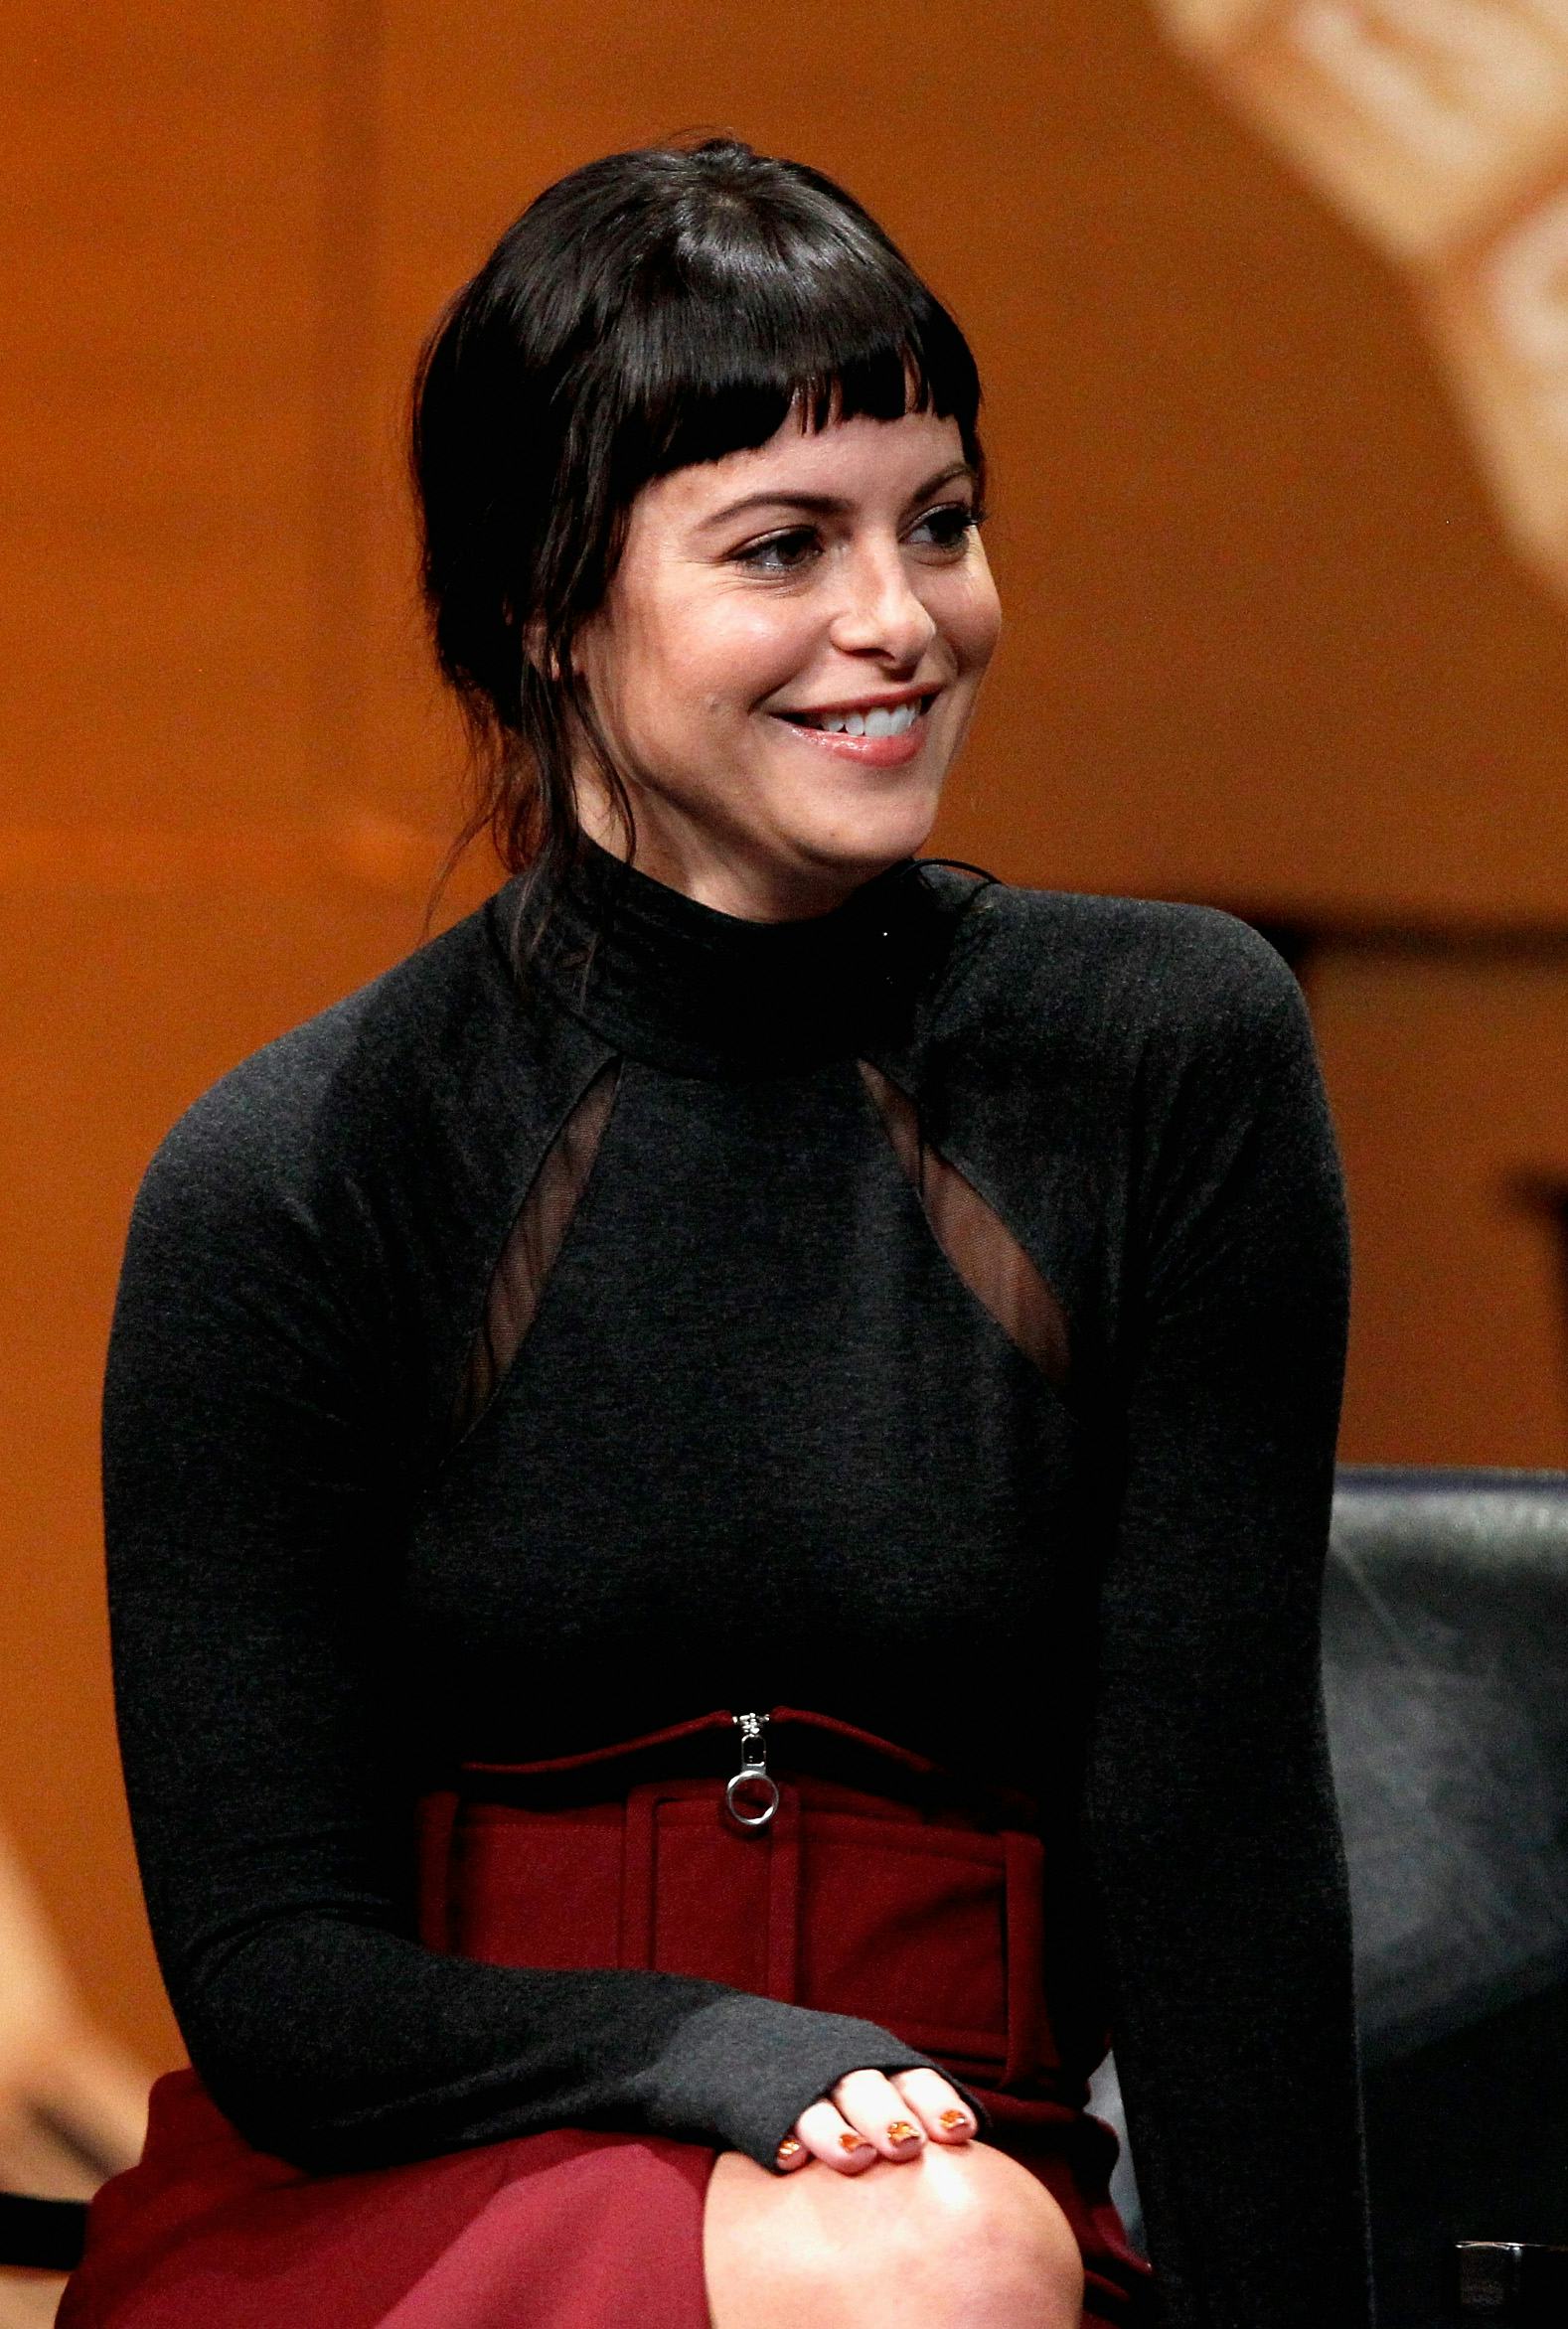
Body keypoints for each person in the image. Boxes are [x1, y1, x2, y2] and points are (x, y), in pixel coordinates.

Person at [59, 138, 1374, 2328]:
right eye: (784, 545)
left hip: (968, 2205)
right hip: (418, 2198)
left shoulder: (1170, 1056)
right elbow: (278, 1978)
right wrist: (720, 2051)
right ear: (544, 611)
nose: (903, 620)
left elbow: (1219, 1852)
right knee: (928, 2256)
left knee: (944, 2251)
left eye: (938, 522)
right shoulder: (297, 1170)